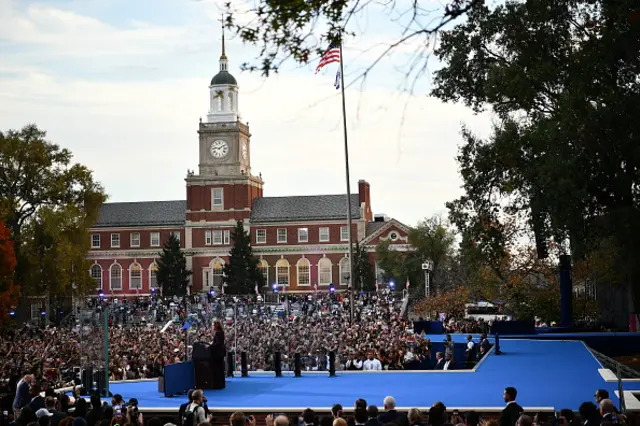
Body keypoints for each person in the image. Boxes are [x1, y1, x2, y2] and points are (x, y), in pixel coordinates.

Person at [210, 320, 226, 389]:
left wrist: (211, 345)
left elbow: (218, 343)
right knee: (220, 369)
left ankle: (217, 385)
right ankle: (221, 384)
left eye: (213, 325)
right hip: (220, 353)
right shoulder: (221, 332)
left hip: (217, 354)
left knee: (217, 369)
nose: (212, 327)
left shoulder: (218, 333)